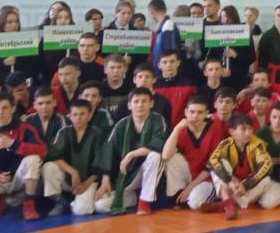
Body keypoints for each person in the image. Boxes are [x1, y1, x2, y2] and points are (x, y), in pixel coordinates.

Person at [40, 98, 109, 216]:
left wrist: (86, 184)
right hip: (68, 179)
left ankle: (75, 201)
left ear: (89, 115)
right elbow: (53, 154)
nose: (78, 118)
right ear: (70, 116)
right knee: (48, 166)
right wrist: (73, 172)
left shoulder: (97, 134)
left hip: (89, 180)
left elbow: (102, 165)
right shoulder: (64, 132)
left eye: (82, 114)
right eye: (75, 114)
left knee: (82, 211)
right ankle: (59, 200)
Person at [105, 86, 168, 215]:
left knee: (155, 156)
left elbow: (159, 144)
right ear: (129, 105)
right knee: (100, 205)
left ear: (151, 103)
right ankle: (132, 197)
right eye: (136, 101)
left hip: (148, 170)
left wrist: (131, 154)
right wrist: (105, 180)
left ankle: (144, 201)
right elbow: (108, 152)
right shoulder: (122, 124)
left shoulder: (158, 120)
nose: (140, 105)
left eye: (144, 101)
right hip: (126, 174)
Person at [207, 114, 280, 219]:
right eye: (243, 129)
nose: (248, 133)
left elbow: (267, 165)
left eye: (250, 129)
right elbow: (212, 161)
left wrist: (246, 185)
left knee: (269, 202)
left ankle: (226, 203)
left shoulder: (257, 144)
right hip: (233, 185)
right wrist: (230, 181)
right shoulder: (226, 144)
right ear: (232, 131)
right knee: (219, 164)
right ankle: (229, 204)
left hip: (250, 185)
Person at [162, 95, 225, 210]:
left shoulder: (215, 129)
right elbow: (165, 156)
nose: (195, 116)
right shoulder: (182, 130)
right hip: (189, 174)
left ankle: (217, 197)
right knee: (171, 158)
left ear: (207, 113)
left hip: (207, 178)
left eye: (200, 112)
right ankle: (177, 194)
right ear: (186, 112)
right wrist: (176, 129)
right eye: (192, 112)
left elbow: (213, 165)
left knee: (195, 203)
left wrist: (191, 187)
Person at [26, 85, 67, 152]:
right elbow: (23, 143)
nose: (44, 106)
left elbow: (58, 147)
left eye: (48, 102)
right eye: (40, 103)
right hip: (33, 155)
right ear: (34, 105)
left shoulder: (62, 120)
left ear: (54, 102)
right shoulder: (28, 120)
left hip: (56, 156)